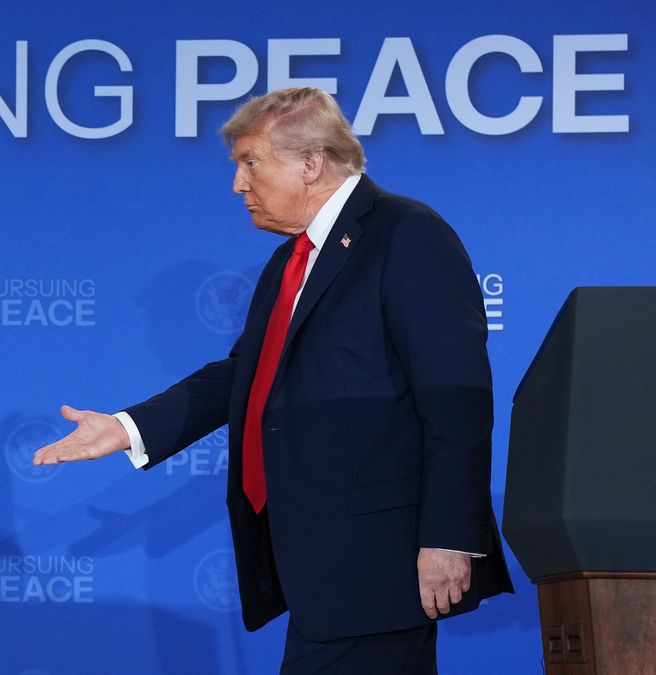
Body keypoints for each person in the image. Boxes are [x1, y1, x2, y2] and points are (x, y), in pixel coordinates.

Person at [32, 87, 512, 674]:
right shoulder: (290, 261)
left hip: (380, 558)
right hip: (326, 565)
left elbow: (456, 396)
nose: (238, 184)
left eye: (250, 162)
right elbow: (244, 375)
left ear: (310, 163)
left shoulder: (406, 234)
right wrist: (128, 428)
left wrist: (449, 536)